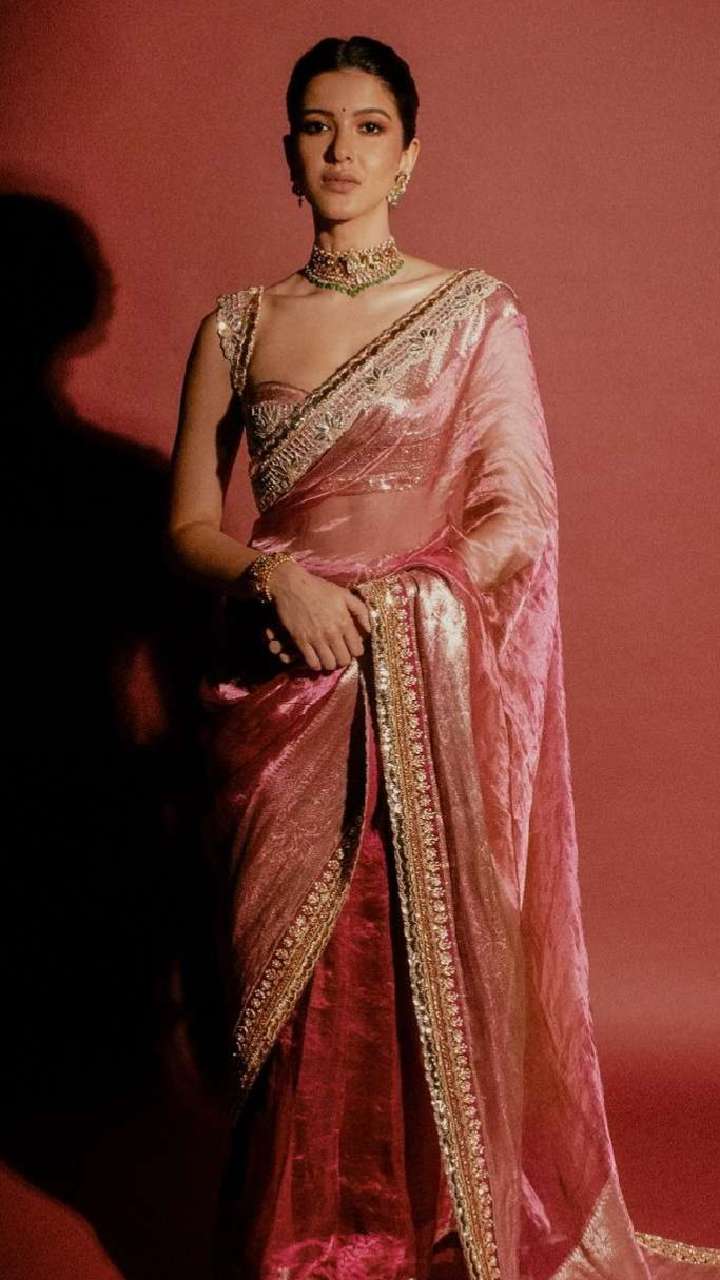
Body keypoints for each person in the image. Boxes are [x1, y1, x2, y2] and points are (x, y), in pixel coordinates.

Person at [167, 33, 719, 1280]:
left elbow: (518, 515)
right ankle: (302, 1240)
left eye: (369, 127)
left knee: (396, 948)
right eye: (318, 125)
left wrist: (391, 611)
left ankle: (407, 1225)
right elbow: (189, 525)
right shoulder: (240, 325)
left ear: (409, 156)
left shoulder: (472, 314)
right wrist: (277, 579)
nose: (342, 150)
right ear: (289, 151)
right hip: (280, 680)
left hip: (413, 674)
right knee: (298, 980)